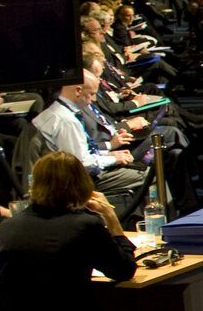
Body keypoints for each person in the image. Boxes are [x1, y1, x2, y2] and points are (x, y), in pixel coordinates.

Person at [0, 151, 137, 311]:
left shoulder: (8, 227)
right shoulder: (85, 225)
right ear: (81, 183)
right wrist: (111, 218)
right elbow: (124, 270)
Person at [31, 70, 146, 213]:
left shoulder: (54, 112)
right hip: (80, 182)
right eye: (91, 94)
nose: (93, 99)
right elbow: (81, 164)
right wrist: (112, 159)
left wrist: (110, 155)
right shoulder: (67, 121)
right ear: (78, 90)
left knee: (138, 166)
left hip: (70, 175)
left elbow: (78, 152)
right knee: (149, 177)